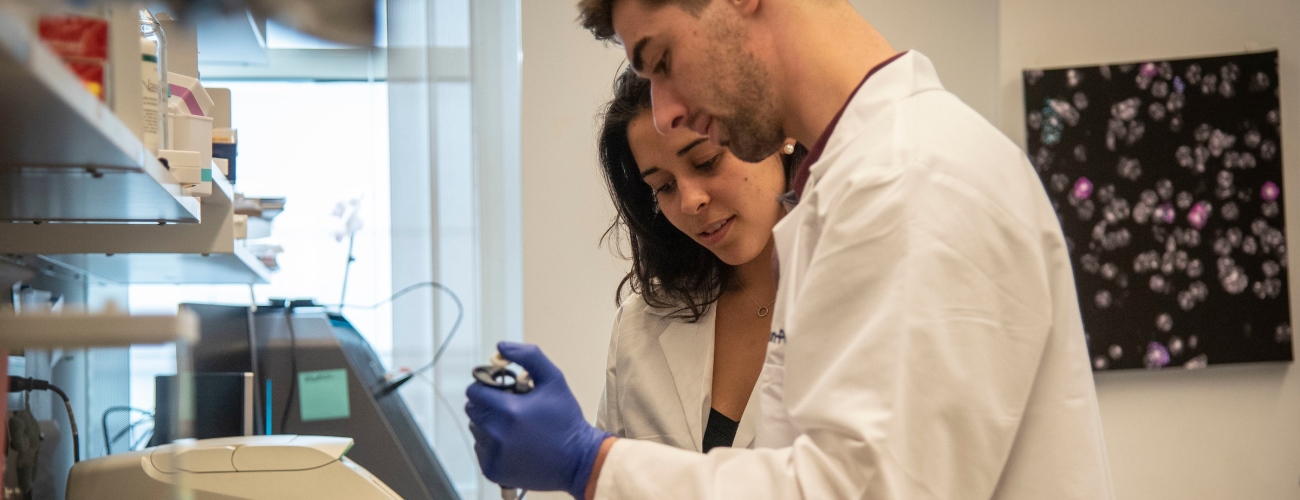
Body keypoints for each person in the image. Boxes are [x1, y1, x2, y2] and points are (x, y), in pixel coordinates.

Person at [465, 0, 1116, 498]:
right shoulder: (855, 183)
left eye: (661, 61)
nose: (663, 114)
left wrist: (593, 463)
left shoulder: (910, 177)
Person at [594, 67, 804, 453]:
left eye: (706, 162)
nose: (690, 203)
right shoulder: (642, 322)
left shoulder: (861, 300)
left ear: (777, 132)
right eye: (664, 186)